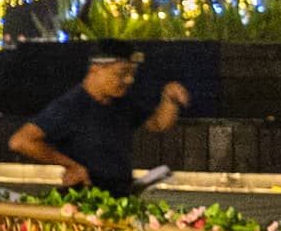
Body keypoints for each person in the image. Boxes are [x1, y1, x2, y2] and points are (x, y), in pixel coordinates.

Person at [10, 50, 190, 196]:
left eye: (131, 74)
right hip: (84, 203)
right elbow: (21, 141)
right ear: (96, 70)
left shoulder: (122, 102)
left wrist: (169, 99)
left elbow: (158, 124)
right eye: (121, 73)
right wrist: (71, 165)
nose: (128, 80)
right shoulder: (71, 105)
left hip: (121, 198)